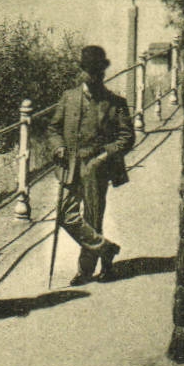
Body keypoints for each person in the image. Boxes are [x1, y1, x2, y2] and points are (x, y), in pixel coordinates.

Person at [47, 45, 135, 286]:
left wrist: (105, 156)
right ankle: (105, 249)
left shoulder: (115, 102)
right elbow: (53, 129)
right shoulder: (69, 98)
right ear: (82, 72)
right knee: (66, 215)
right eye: (89, 72)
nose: (94, 77)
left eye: (98, 72)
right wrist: (58, 147)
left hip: (97, 166)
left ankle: (86, 271)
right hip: (70, 165)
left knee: (93, 217)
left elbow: (127, 138)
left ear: (103, 73)